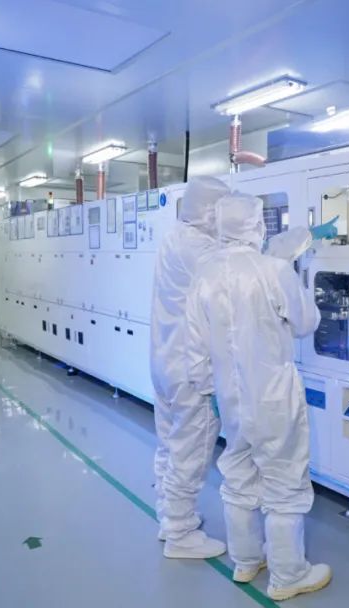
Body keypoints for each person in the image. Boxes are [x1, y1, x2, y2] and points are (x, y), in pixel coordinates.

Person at [185, 193, 331, 601]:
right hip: (274, 397)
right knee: (285, 481)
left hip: (230, 399)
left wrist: (210, 390)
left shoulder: (204, 276)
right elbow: (306, 323)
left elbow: (195, 350)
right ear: (256, 225)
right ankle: (288, 575)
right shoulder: (273, 270)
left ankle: (247, 560)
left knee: (239, 475)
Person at [149, 176, 228, 559]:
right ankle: (181, 534)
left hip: (164, 362)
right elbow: (240, 281)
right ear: (212, 211)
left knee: (169, 445)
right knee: (191, 452)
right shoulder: (202, 249)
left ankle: (169, 518)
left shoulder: (174, 237)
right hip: (192, 372)